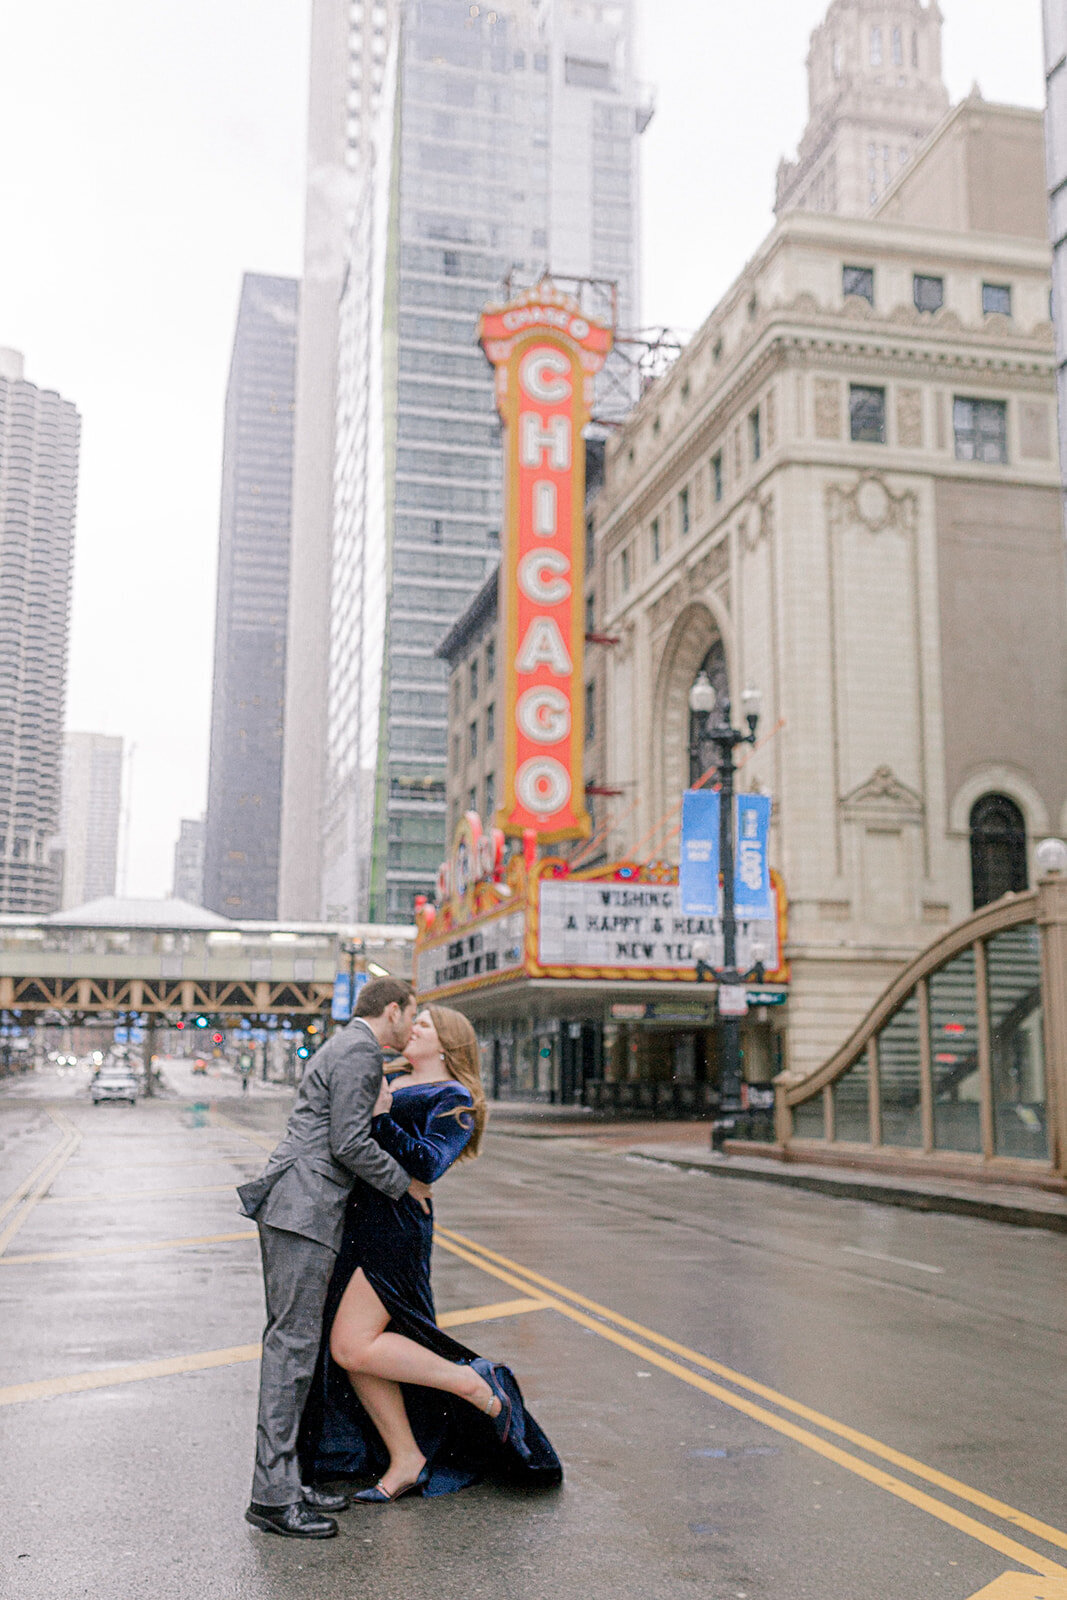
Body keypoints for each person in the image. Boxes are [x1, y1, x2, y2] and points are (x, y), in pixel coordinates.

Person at [298, 1005, 562, 1502]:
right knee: (359, 1353)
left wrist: (380, 1116)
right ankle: (406, 1458)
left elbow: (429, 1163)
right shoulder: (389, 1076)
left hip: (394, 1230)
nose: (410, 1029)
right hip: (355, 1222)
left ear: (445, 1043)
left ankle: (473, 1386)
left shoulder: (454, 1098)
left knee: (351, 1347)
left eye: (422, 1025)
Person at [236, 977, 432, 1540]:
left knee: (295, 1348)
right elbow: (349, 1142)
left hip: (303, 1206)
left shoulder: (349, 1046)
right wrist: (405, 1184)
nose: (410, 1026)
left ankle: (287, 1482)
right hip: (303, 1207)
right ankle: (272, 1500)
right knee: (291, 1350)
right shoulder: (360, 1050)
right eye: (410, 1015)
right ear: (391, 1011)